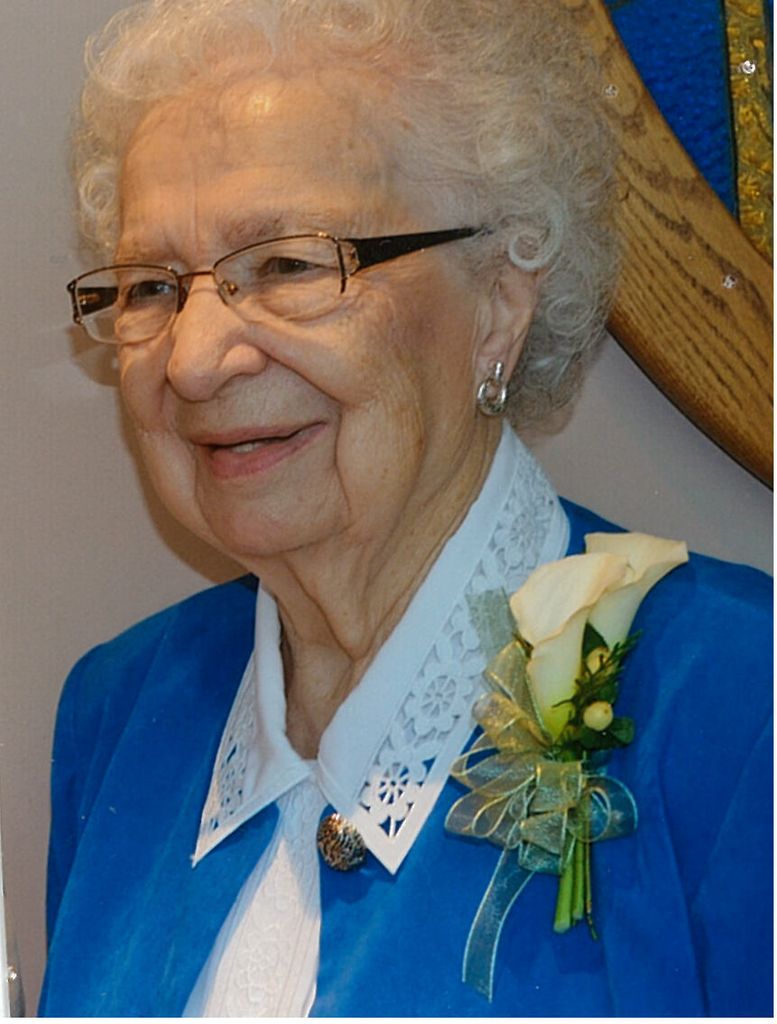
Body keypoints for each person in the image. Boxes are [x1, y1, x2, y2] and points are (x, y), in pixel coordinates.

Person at [40, 0, 771, 1016]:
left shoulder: (739, 701)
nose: (194, 360)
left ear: (499, 304)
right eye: (152, 288)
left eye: (289, 265)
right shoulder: (122, 712)